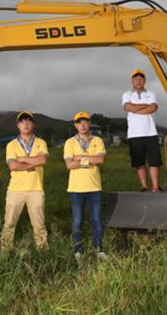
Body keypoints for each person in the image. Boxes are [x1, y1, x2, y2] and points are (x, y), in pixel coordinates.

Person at [0, 111, 49, 252]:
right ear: (18, 125)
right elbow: (13, 166)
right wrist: (34, 161)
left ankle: (43, 252)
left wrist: (22, 159)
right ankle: (5, 252)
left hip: (36, 189)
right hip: (15, 190)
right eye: (22, 121)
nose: (25, 124)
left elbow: (43, 160)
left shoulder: (41, 143)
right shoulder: (11, 145)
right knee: (9, 223)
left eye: (28, 121)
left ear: (33, 124)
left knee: (39, 225)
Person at [63, 111, 107, 261]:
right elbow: (69, 164)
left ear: (89, 124)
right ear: (75, 125)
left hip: (94, 187)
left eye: (85, 121)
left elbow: (101, 160)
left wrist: (80, 158)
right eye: (79, 122)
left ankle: (99, 249)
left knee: (97, 220)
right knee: (77, 221)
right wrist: (89, 159)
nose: (82, 125)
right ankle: (78, 251)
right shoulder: (70, 142)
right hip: (76, 189)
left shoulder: (98, 140)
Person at [121, 69, 163, 192]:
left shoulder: (151, 93)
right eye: (136, 79)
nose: (138, 81)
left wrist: (135, 109)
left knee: (154, 162)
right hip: (134, 134)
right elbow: (127, 107)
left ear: (144, 80)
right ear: (132, 81)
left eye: (141, 79)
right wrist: (145, 106)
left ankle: (155, 187)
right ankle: (144, 187)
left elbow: (153, 107)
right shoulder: (127, 94)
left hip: (150, 132)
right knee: (139, 163)